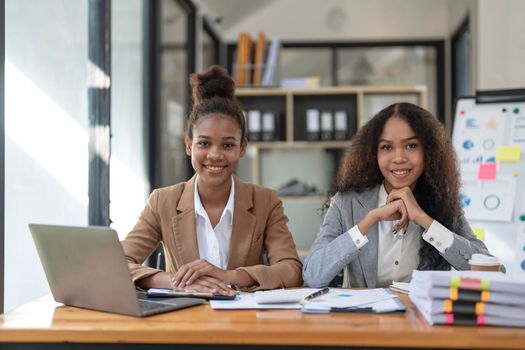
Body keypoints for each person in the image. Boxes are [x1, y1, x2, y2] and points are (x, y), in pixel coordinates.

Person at [121, 65, 302, 294]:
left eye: (227, 145)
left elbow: (291, 269)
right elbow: (119, 263)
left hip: (244, 323)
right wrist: (178, 282)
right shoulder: (162, 201)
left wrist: (230, 276)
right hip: (182, 322)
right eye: (204, 143)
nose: (215, 155)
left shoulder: (265, 201)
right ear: (188, 145)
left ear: (243, 147)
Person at [303, 102, 493, 288]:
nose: (399, 158)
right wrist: (370, 219)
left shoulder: (442, 202)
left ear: (429, 150)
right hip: (364, 318)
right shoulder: (347, 202)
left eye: (411, 146)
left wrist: (423, 219)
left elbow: (492, 272)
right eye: (386, 147)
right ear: (373, 153)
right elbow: (313, 275)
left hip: (421, 316)